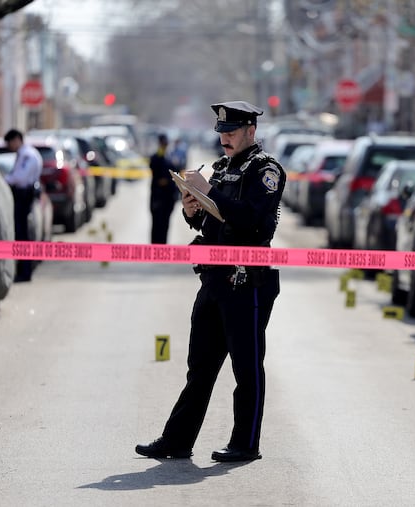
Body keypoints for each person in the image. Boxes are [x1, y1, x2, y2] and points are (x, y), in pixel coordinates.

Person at [136, 100, 286, 462]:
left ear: (251, 130)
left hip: (246, 281)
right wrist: (192, 209)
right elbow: (211, 222)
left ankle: (246, 443)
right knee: (199, 367)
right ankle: (178, 440)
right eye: (221, 133)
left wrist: (211, 194)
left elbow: (249, 218)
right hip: (214, 279)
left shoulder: (266, 171)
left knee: (246, 368)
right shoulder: (221, 169)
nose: (224, 139)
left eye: (231, 132)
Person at [4, 128, 43, 282]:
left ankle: (25, 271)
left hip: (23, 196)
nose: (9, 146)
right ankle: (23, 270)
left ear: (17, 140)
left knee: (23, 235)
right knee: (21, 234)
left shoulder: (27, 155)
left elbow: (19, 178)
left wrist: (3, 180)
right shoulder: (24, 154)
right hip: (21, 196)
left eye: (10, 143)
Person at [148, 133, 178, 244]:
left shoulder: (170, 157)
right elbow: (155, 169)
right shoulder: (157, 157)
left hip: (168, 198)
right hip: (158, 197)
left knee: (165, 224)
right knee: (156, 225)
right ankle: (155, 248)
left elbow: (175, 172)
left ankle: (163, 248)